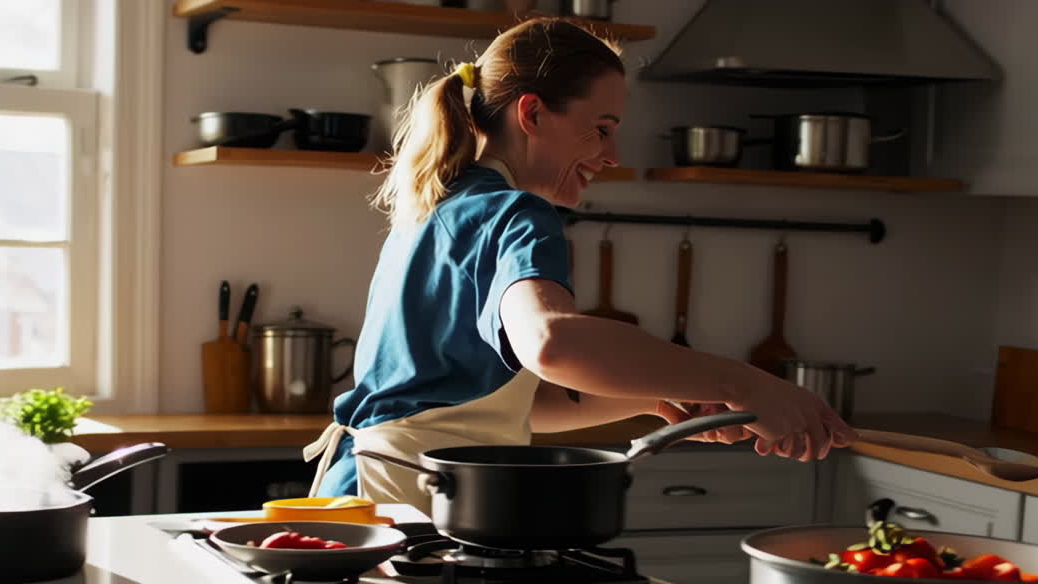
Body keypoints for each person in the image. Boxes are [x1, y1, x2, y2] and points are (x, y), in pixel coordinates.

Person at [303, 18, 855, 511]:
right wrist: (749, 383)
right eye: (603, 127)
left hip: (367, 496)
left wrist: (658, 398)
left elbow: (514, 406)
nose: (613, 155)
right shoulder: (516, 212)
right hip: (413, 506)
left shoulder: (440, 208)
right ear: (534, 113)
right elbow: (553, 344)